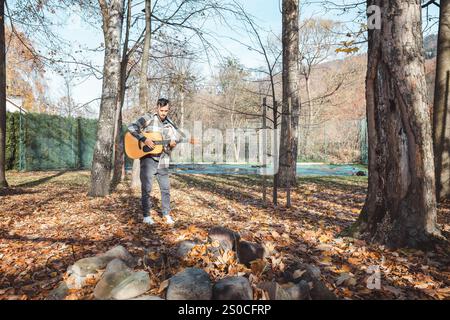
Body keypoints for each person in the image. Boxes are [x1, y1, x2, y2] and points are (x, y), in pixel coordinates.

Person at [127, 98, 180, 225]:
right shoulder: (148, 117)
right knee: (147, 188)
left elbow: (172, 142)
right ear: (157, 108)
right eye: (161, 110)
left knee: (166, 189)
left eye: (166, 110)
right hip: (148, 159)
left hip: (163, 159)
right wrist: (144, 139)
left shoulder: (170, 124)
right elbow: (131, 127)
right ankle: (146, 216)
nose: (163, 113)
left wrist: (173, 144)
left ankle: (166, 214)